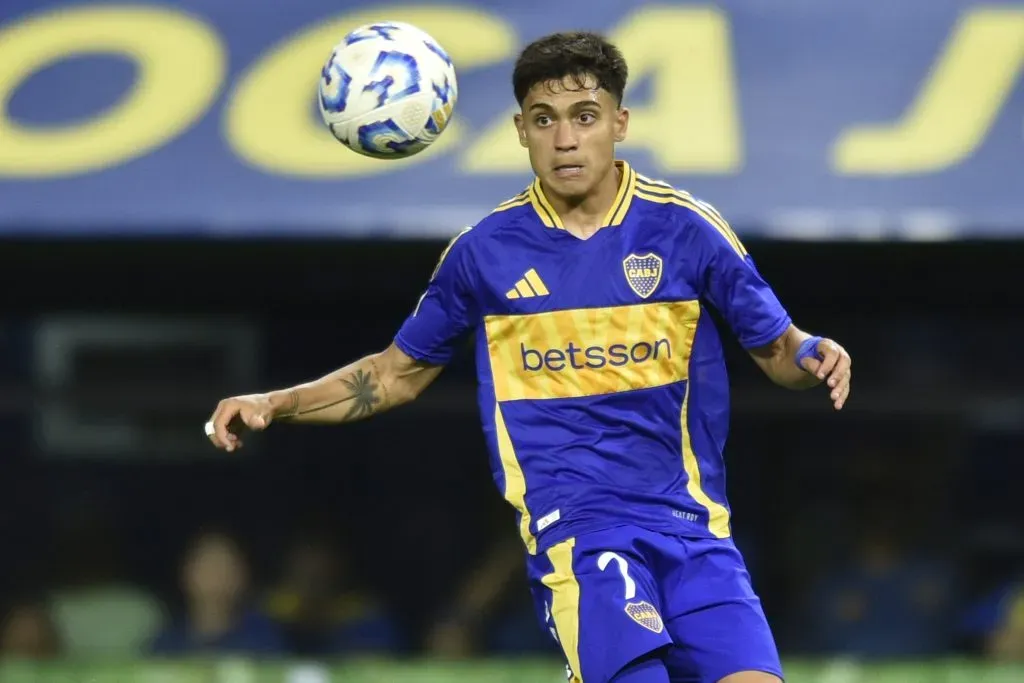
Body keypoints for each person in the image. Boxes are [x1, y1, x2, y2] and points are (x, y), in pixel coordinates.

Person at [205, 31, 852, 683]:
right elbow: (393, 375)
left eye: (585, 117)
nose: (565, 139)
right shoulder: (485, 254)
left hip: (696, 531)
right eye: (545, 120)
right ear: (521, 131)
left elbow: (778, 348)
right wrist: (276, 402)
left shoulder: (686, 228)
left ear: (620, 123)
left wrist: (814, 353)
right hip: (582, 535)